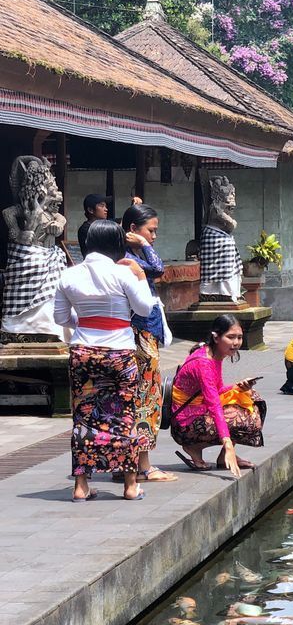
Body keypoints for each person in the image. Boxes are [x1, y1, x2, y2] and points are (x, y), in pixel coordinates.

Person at [53, 220, 156, 501]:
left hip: (83, 352)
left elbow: (61, 319)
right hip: (119, 353)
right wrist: (141, 276)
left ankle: (81, 486)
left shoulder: (69, 276)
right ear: (116, 245)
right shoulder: (122, 273)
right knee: (125, 415)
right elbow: (144, 308)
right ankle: (130, 485)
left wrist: (86, 321)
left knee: (83, 416)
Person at [120, 203, 177, 483]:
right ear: (132, 230)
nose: (153, 237)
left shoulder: (130, 256)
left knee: (144, 397)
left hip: (144, 334)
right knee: (145, 397)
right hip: (139, 335)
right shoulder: (127, 260)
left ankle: (134, 464)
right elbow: (158, 268)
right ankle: (141, 466)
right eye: (150, 231)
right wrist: (142, 243)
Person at [171, 314, 265, 477]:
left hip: (197, 411)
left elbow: (218, 390)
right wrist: (227, 443)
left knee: (250, 396)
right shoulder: (204, 363)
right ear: (216, 337)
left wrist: (238, 387)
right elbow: (213, 402)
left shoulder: (214, 355)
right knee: (243, 418)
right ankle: (194, 446)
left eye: (239, 337)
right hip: (186, 422)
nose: (236, 342)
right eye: (230, 337)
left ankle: (222, 457)